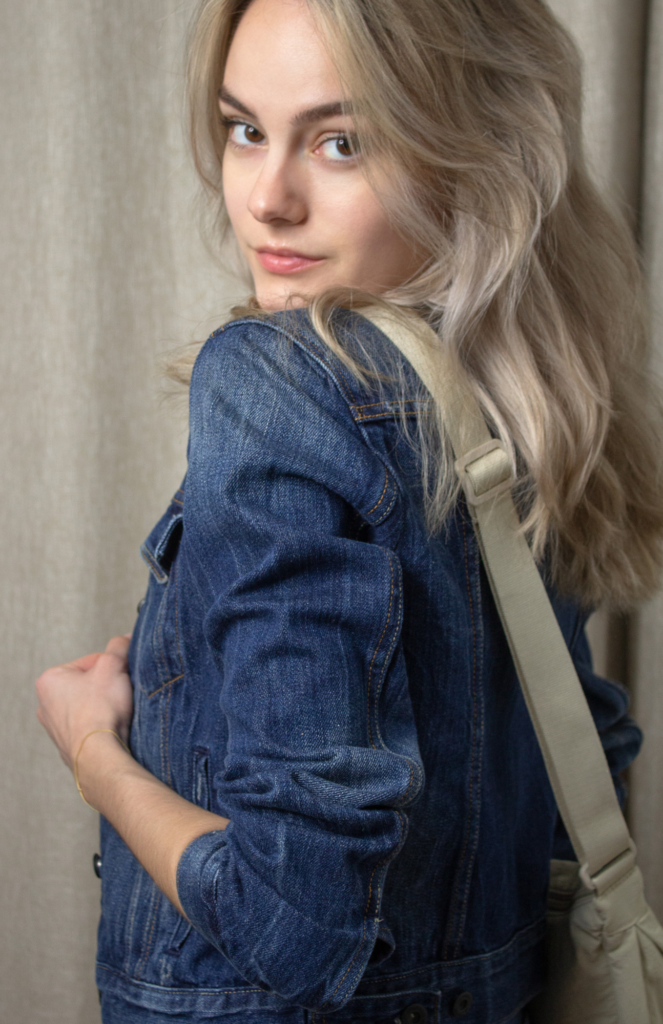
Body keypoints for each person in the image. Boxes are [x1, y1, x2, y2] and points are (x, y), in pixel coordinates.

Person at [35, 0, 663, 1021]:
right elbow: (584, 768)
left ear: (474, 154)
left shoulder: (272, 381)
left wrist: (92, 750)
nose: (267, 199)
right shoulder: (536, 392)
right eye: (246, 129)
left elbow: (297, 919)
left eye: (341, 142)